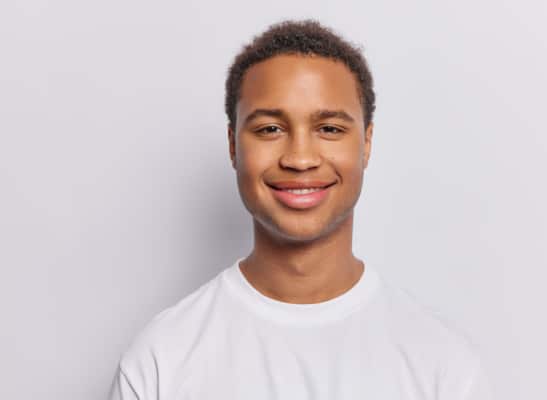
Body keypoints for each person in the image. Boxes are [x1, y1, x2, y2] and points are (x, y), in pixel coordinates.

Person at [109, 19, 493, 400]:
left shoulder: (445, 368)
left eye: (329, 129)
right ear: (233, 145)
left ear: (366, 143)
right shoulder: (162, 359)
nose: (300, 158)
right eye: (270, 129)